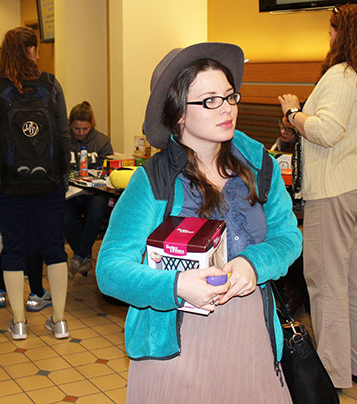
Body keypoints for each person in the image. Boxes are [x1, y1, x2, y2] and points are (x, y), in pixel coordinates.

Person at [96, 43, 302, 403]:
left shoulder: (258, 165)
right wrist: (176, 285)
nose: (226, 109)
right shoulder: (153, 181)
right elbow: (111, 270)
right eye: (210, 101)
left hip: (251, 332)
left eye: (229, 96)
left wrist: (253, 264)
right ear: (178, 114)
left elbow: (288, 237)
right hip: (177, 345)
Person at [278, 3, 357, 389]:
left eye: (330, 32)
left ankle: (330, 374)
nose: (327, 39)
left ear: (343, 36)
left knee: (326, 280)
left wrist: (294, 113)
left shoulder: (341, 75)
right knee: (356, 279)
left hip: (337, 188)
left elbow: (326, 131)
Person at [0, 26, 70, 340]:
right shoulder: (51, 84)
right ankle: (58, 321)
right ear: (31, 51)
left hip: (10, 183)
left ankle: (19, 323)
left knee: (13, 250)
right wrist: (63, 175)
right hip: (49, 182)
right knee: (55, 249)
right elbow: (62, 135)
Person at [64, 101, 113, 277]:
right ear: (70, 124)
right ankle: (83, 256)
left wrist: (94, 184)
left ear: (92, 123)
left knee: (97, 211)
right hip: (69, 192)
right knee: (65, 216)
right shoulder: (63, 140)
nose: (81, 133)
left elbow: (107, 171)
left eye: (85, 129)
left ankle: (79, 257)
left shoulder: (102, 141)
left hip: (94, 192)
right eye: (77, 129)